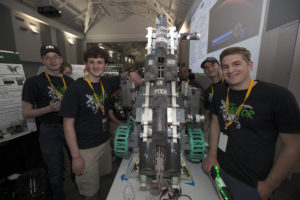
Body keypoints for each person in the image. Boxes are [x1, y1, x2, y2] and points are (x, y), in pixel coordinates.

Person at [202, 46, 300, 200]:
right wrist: (212, 155)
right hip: (220, 168)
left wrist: (270, 185)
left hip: (251, 181)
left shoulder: (277, 96)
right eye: (225, 66)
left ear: (250, 65)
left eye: (236, 64)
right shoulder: (220, 91)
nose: (230, 70)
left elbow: (293, 145)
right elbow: (215, 121)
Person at [59, 46, 118, 200]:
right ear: (86, 64)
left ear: (106, 65)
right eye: (91, 62)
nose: (96, 66)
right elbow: (67, 125)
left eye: (100, 62)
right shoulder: (75, 88)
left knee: (96, 185)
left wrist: (132, 74)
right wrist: (75, 156)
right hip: (85, 149)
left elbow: (125, 76)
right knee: (90, 194)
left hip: (103, 143)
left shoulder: (106, 82)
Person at [21, 44, 74, 200]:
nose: (52, 60)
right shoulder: (34, 82)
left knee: (77, 165)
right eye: (48, 58)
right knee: (55, 171)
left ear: (61, 59)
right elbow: (25, 113)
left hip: (69, 127)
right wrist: (48, 109)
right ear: (42, 60)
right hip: (49, 131)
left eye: (55, 57)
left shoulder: (70, 82)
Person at [201, 57, 224, 140]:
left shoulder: (229, 84)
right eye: (206, 68)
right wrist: (204, 134)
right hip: (217, 131)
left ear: (219, 66)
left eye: (212, 65)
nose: (210, 69)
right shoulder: (208, 91)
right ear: (205, 72)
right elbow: (207, 114)